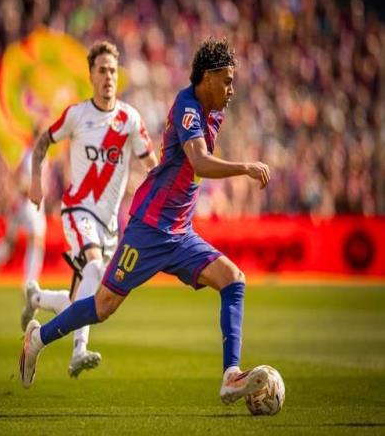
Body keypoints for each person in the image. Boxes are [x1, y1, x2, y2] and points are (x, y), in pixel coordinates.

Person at [21, 38, 271, 404]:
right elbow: (199, 162)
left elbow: (165, 163)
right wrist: (245, 167)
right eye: (227, 81)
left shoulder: (213, 112)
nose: (232, 90)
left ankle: (231, 376)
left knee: (233, 280)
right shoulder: (187, 106)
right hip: (149, 229)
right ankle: (38, 338)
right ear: (207, 77)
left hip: (180, 233)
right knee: (103, 306)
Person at [24, 41, 158, 378]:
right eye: (102, 70)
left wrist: (164, 191)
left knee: (83, 301)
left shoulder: (130, 119)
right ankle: (78, 351)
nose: (108, 77)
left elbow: (152, 166)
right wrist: (36, 180)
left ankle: (37, 298)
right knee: (96, 270)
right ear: (91, 76)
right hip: (78, 211)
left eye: (112, 70)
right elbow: (42, 142)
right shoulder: (77, 115)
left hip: (109, 226)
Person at [0, 149, 46, 294]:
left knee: (9, 242)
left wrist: (13, 194)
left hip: (17, 204)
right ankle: (29, 284)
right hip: (30, 205)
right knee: (36, 242)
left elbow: (16, 175)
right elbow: (26, 182)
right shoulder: (36, 155)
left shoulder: (23, 153)